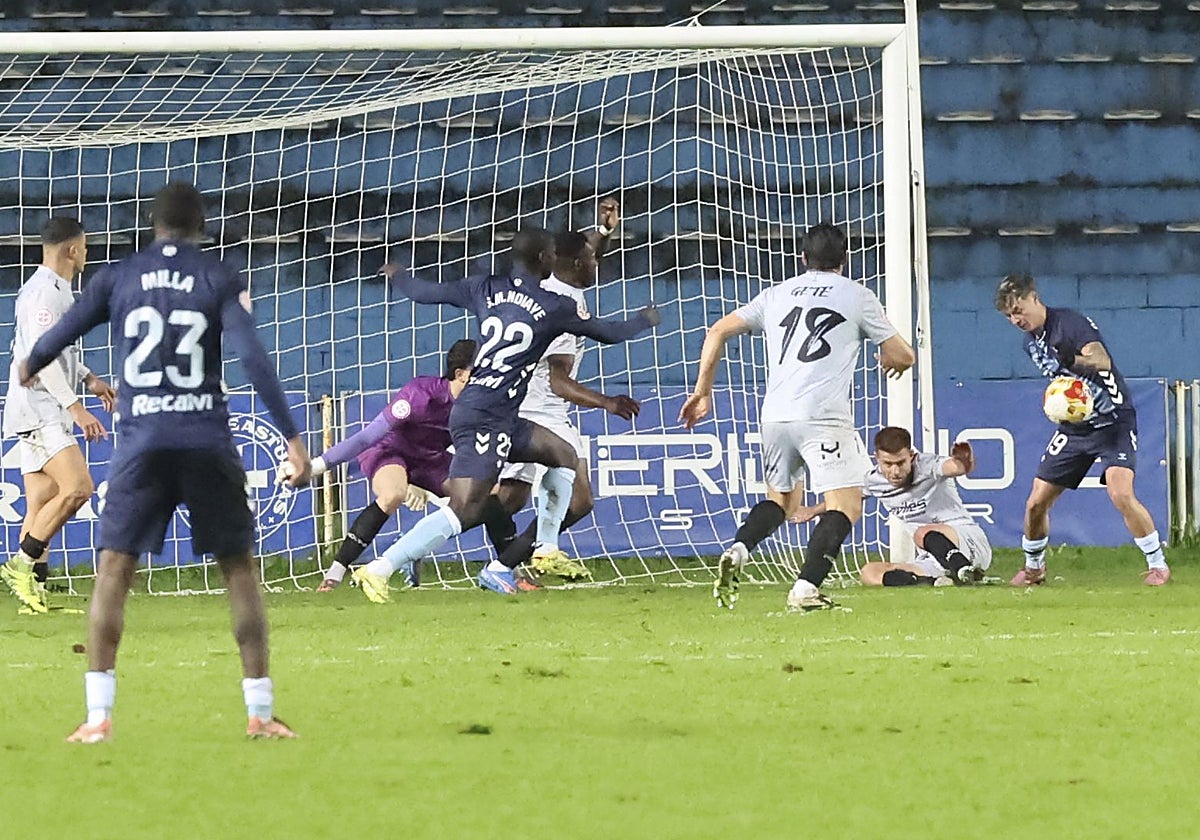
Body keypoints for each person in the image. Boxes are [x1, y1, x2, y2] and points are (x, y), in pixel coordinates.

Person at [20, 183, 313, 743]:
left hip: (142, 441)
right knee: (239, 570)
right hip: (206, 436)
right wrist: (292, 437)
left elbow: (61, 332)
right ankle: (259, 711)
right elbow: (253, 356)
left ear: (152, 226)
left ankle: (98, 718)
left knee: (113, 571)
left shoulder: (118, 276)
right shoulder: (219, 275)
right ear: (200, 226)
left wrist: (33, 360)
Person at [351, 227, 659, 604]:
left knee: (561, 453)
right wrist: (645, 319)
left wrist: (398, 275)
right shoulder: (552, 305)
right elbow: (609, 333)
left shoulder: (484, 288)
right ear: (545, 260)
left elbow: (425, 293)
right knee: (466, 508)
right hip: (485, 417)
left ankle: (545, 547)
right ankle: (380, 567)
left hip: (498, 413)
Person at [679, 223, 915, 611]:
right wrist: (889, 356)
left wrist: (702, 391)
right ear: (845, 259)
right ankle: (806, 588)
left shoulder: (776, 294)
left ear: (803, 259)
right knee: (846, 506)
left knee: (784, 502)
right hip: (822, 415)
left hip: (774, 415)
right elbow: (904, 355)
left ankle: (739, 548)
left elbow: (718, 330)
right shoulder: (857, 295)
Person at [481, 203, 641, 594]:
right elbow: (558, 381)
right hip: (539, 412)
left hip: (532, 408)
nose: (597, 262)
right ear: (572, 263)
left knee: (507, 501)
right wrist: (607, 402)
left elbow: (584, 246)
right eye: (591, 259)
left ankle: (486, 558)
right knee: (579, 501)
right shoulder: (561, 308)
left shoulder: (559, 284)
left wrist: (602, 233)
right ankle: (507, 562)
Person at [995, 273, 1169, 586]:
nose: (1015, 319)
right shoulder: (1030, 343)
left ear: (1034, 298)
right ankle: (1034, 569)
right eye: (1009, 316)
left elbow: (1101, 362)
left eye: (1018, 310)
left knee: (1120, 493)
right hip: (1075, 428)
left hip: (1113, 420)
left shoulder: (1070, 324)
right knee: (1036, 502)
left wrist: (1073, 360)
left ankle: (1158, 566)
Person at [290, 339, 477, 591]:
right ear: (460, 374)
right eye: (482, 370)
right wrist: (315, 467)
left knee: (484, 495)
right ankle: (336, 571)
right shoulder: (419, 395)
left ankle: (505, 570)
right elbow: (367, 437)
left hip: (431, 459)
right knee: (393, 494)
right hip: (389, 451)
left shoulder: (480, 405)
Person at [1, 217, 116, 615]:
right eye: (84, 247)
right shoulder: (45, 295)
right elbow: (41, 360)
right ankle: (20, 565)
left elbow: (54, 352)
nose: (87, 253)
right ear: (71, 250)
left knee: (41, 501)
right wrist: (77, 408)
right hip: (40, 409)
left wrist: (90, 379)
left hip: (36, 406)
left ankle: (33, 593)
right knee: (79, 487)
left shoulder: (52, 291)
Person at [792, 427, 992, 586]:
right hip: (932, 557)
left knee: (922, 533)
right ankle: (933, 581)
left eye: (900, 463)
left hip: (968, 541)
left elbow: (956, 467)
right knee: (870, 573)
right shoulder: (874, 481)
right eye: (888, 464)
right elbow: (847, 500)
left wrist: (965, 460)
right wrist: (811, 511)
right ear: (876, 458)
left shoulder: (928, 466)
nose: (895, 471)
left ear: (911, 456)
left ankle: (965, 569)